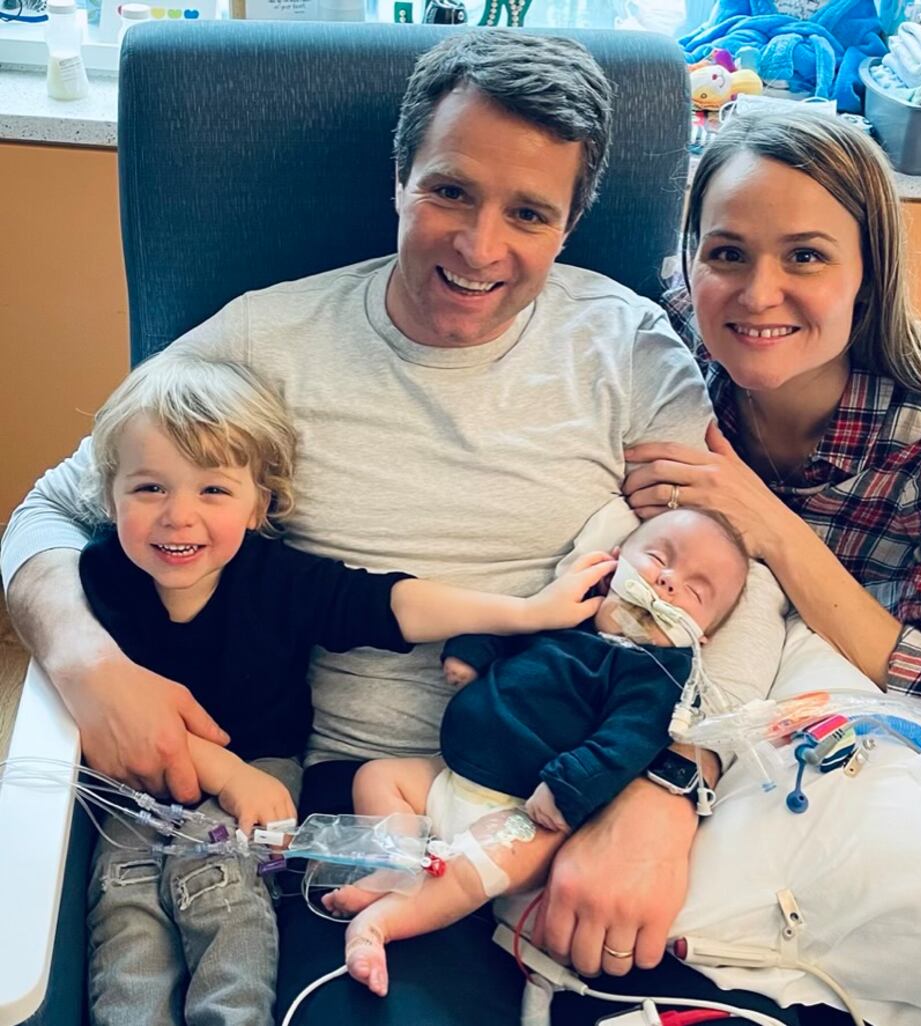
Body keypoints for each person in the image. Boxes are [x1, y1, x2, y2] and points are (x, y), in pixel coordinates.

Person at [6, 30, 815, 1026]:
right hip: (350, 807)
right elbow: (50, 508)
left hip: (584, 778)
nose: (479, 249)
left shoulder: (630, 353)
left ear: (570, 225)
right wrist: (86, 662)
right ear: (399, 178)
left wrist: (666, 786)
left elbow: (740, 575)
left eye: (528, 213)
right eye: (449, 193)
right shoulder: (264, 341)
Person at [76, 353, 614, 1026]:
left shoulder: (279, 580)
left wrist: (529, 613)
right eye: (149, 489)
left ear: (257, 505)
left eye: (212, 491)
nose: (178, 517)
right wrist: (222, 770)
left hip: (264, 772)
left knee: (220, 890)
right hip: (132, 777)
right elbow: (107, 704)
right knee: (125, 904)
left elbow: (394, 606)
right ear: (111, 495)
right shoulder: (102, 575)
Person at [626, 108, 921, 784]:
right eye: (726, 253)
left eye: (805, 256)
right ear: (689, 263)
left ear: (869, 274)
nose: (757, 294)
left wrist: (773, 529)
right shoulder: (660, 361)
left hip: (835, 776)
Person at [320, 509, 750, 998]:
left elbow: (626, 744)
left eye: (694, 591)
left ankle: (378, 927)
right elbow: (508, 624)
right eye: (657, 559)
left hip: (526, 810)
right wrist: (470, 652)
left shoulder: (659, 674)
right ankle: (394, 866)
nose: (668, 583)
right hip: (453, 772)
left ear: (703, 635)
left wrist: (568, 787)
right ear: (613, 563)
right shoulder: (566, 613)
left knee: (476, 866)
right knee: (378, 778)